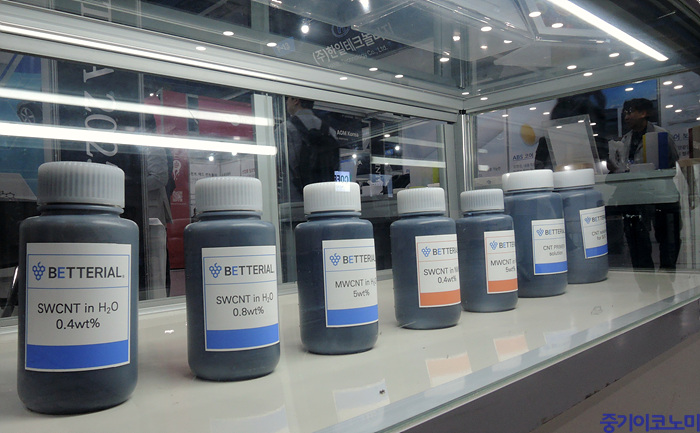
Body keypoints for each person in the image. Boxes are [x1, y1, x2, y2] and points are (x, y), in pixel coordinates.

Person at [609, 98, 681, 272]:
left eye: (630, 112)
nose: (626, 117)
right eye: (625, 113)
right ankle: (644, 279)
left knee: (667, 240)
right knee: (638, 242)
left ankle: (667, 275)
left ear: (644, 113)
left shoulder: (661, 135)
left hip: (661, 197)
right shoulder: (624, 140)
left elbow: (674, 162)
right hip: (636, 198)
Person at [284, 97, 339, 201]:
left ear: (296, 101)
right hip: (326, 195)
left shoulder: (286, 129)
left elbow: (285, 166)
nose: (286, 102)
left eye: (288, 99)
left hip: (296, 197)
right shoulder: (330, 131)